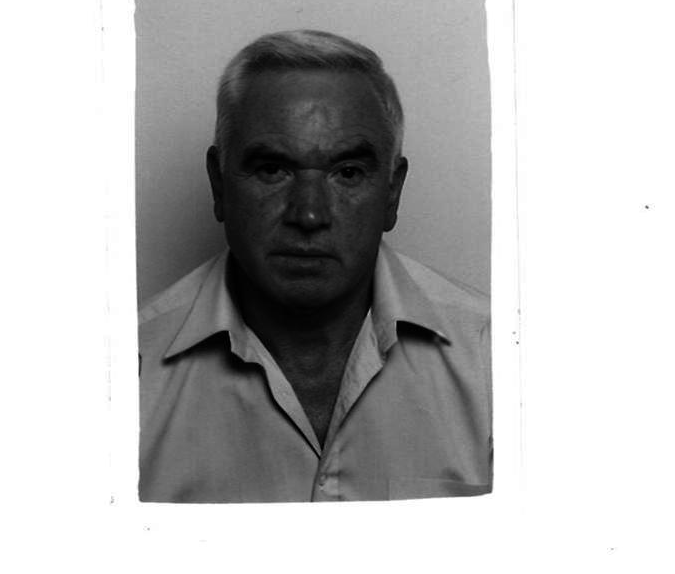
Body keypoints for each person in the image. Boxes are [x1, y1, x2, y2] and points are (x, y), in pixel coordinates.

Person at [138, 29, 491, 502]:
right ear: (218, 185)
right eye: (272, 170)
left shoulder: (497, 362)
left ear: (392, 193)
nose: (308, 215)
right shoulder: (126, 376)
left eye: (348, 173)